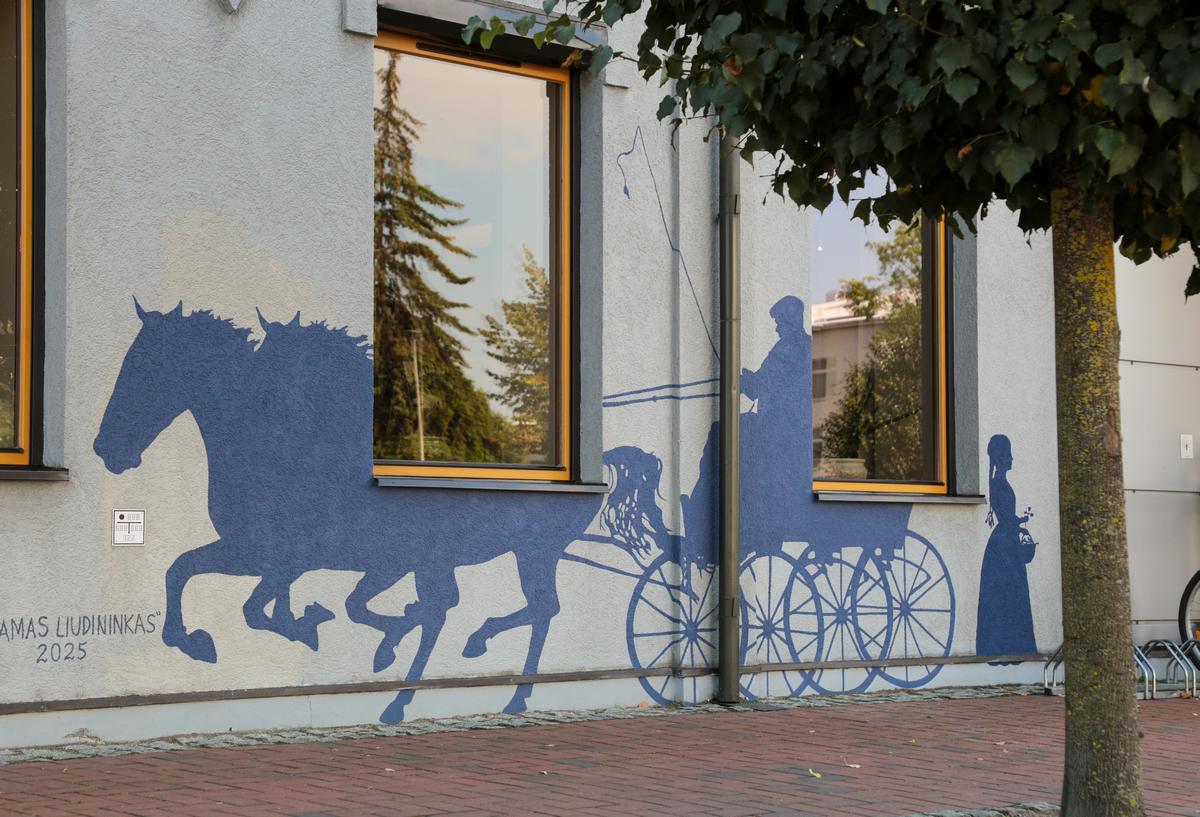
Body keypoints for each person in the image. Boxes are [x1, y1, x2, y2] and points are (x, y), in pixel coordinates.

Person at [976, 434, 1038, 662]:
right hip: (1005, 545)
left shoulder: (997, 482)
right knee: (1009, 594)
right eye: (1008, 454)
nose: (1012, 458)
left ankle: (1005, 649)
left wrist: (1018, 522)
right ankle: (1009, 649)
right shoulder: (1000, 483)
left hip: (1004, 541)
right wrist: (1020, 522)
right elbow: (1005, 515)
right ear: (1001, 456)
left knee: (1006, 595)